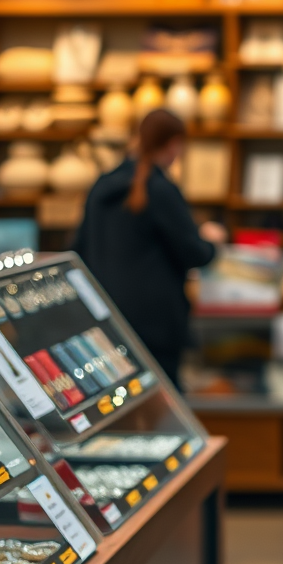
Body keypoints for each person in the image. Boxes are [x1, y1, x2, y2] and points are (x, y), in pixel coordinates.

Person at [73, 108, 226, 386]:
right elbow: (195, 253)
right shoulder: (160, 189)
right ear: (174, 144)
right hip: (156, 324)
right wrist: (212, 242)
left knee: (117, 398)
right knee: (163, 401)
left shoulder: (101, 186)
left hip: (106, 318)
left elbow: (78, 249)